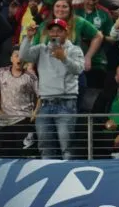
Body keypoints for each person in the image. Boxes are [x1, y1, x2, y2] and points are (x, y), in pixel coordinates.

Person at [19, 18, 84, 159]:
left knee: (66, 148)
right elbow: (23, 56)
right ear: (48, 33)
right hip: (45, 104)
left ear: (66, 32)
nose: (55, 34)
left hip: (66, 103)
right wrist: (28, 37)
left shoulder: (74, 50)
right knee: (45, 147)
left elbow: (79, 69)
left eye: (59, 30)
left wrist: (64, 58)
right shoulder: (41, 49)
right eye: (52, 30)